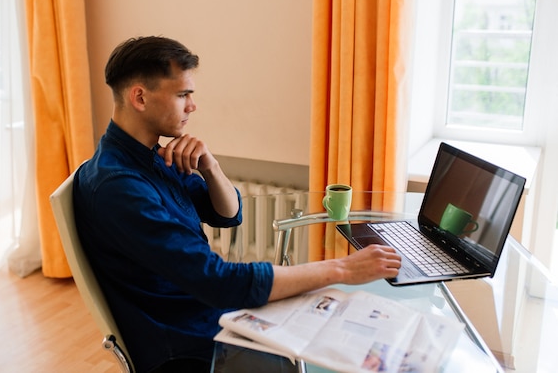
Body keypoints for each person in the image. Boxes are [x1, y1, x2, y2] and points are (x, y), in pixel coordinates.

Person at [73, 36, 402, 372]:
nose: (192, 106)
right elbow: (219, 282)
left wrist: (210, 167)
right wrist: (342, 269)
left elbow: (228, 214)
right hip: (185, 346)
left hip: (206, 317)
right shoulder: (120, 185)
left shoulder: (152, 156)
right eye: (183, 94)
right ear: (140, 97)